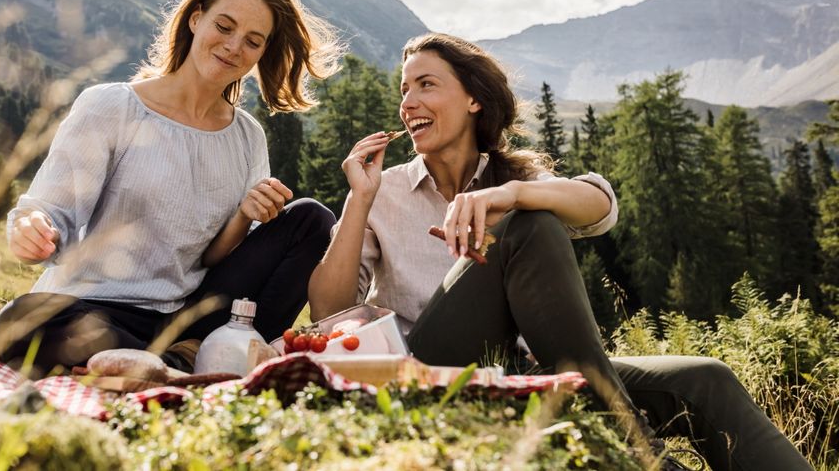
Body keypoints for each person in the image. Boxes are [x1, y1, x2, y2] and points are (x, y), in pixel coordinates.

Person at [308, 33, 811, 471]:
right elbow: (329, 310)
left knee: (706, 379)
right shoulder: (385, 191)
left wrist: (513, 195)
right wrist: (360, 198)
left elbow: (599, 205)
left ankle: (618, 428)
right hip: (432, 372)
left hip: (526, 372)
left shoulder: (512, 178)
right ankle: (637, 448)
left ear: (473, 101)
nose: (408, 101)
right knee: (528, 228)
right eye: (404, 89)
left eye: (426, 84)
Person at [0, 0, 342, 376]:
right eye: (224, 27)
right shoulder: (111, 107)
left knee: (311, 220)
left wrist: (244, 215)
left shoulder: (247, 137)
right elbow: (52, 211)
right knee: (19, 323)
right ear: (196, 19)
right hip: (95, 310)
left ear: (261, 52)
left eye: (252, 41)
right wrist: (34, 228)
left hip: (189, 316)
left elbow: (217, 258)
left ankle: (178, 358)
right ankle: (188, 364)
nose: (233, 47)